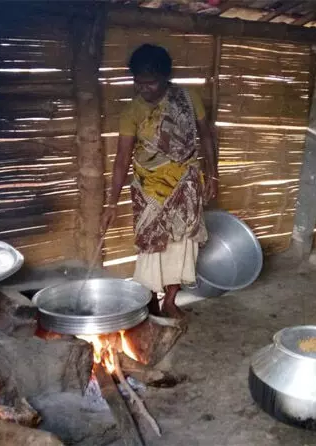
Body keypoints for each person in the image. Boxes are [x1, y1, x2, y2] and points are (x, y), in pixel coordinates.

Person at [101, 44, 218, 319]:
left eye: (150, 82)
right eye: (138, 82)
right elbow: (121, 160)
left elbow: (206, 136)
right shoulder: (132, 112)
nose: (144, 89)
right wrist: (111, 204)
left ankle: (171, 300)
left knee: (182, 244)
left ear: (166, 77)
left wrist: (213, 174)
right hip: (149, 189)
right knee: (151, 246)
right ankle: (152, 301)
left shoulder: (188, 99)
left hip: (186, 184)